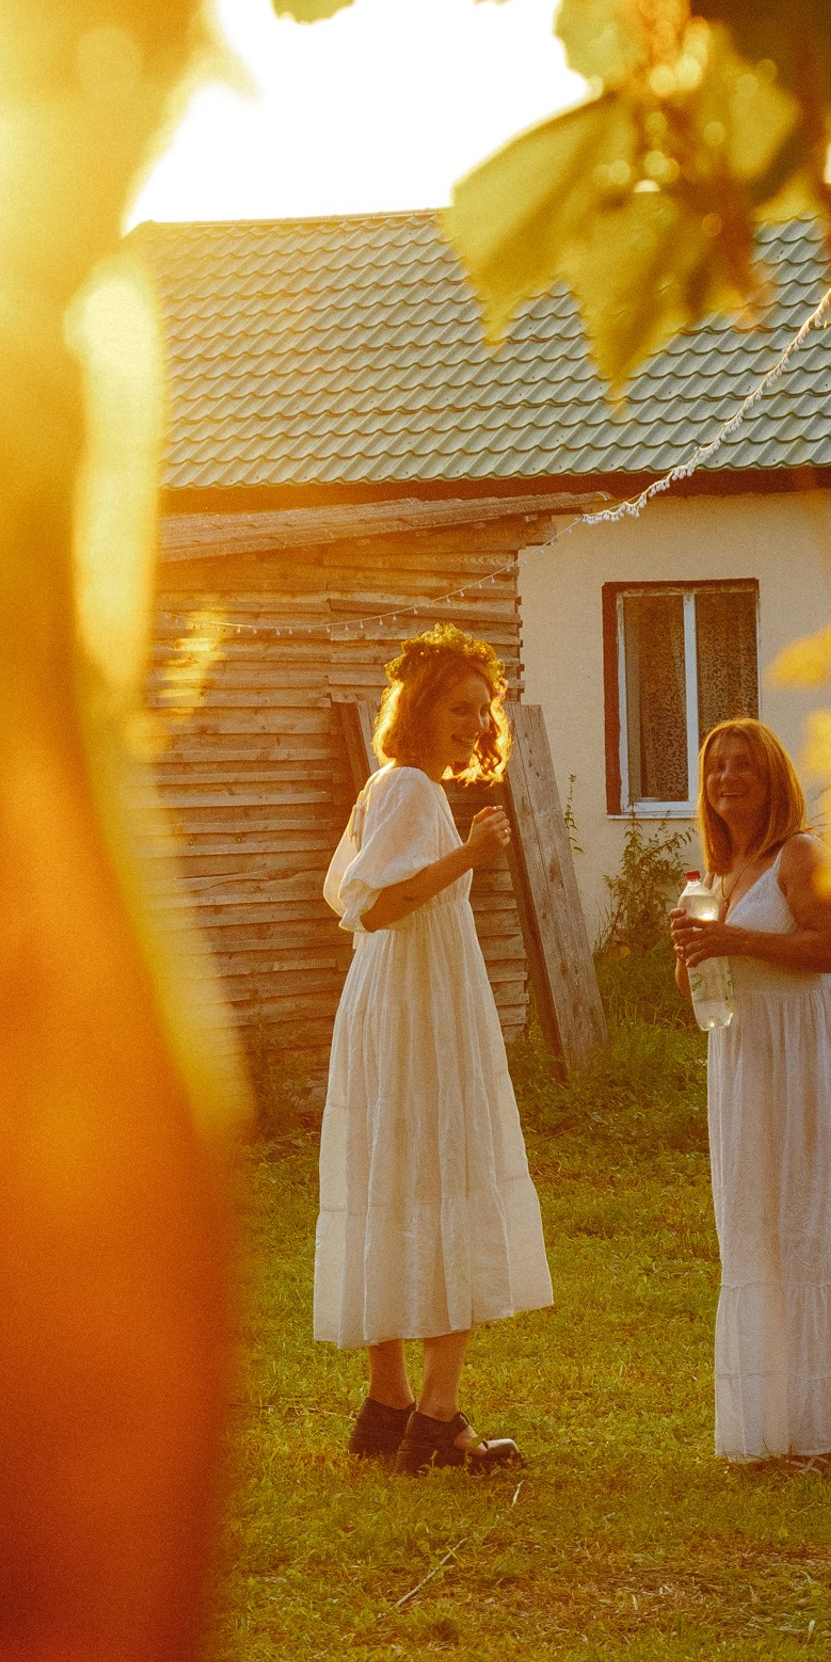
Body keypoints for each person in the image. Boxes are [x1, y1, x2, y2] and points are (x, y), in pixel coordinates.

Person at [316, 628, 551, 1473]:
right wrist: (471, 854)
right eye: (458, 708)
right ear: (418, 710)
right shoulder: (412, 788)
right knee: (446, 1174)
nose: (472, 724)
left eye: (480, 711)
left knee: (389, 1178)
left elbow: (350, 894)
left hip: (389, 1000)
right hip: (418, 1003)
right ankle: (437, 1415)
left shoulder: (388, 786)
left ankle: (387, 1403)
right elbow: (375, 906)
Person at [670, 718, 831, 1464]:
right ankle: (773, 1423)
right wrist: (692, 950)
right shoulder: (721, 870)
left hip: (812, 1055)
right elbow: (703, 980)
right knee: (763, 1224)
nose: (727, 778)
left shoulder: (802, 854)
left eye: (744, 765)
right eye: (715, 768)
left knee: (818, 1223)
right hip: (750, 1059)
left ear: (774, 778)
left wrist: (738, 941)